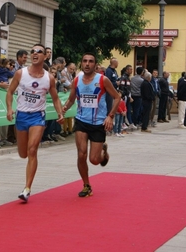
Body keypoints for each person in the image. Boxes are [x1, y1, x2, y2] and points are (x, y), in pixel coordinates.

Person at [6, 44, 64, 202]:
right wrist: (10, 108)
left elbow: (55, 97)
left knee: (32, 150)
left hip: (38, 116)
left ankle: (27, 188)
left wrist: (60, 113)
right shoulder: (20, 73)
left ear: (45, 56)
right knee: (23, 153)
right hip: (22, 116)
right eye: (32, 51)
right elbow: (10, 92)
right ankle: (27, 185)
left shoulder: (49, 78)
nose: (34, 54)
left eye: (39, 52)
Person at [62, 52, 120, 198]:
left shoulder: (103, 80)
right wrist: (63, 110)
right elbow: (71, 99)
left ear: (95, 64)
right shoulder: (77, 80)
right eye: (85, 61)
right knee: (81, 154)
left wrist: (110, 116)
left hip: (98, 123)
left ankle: (103, 153)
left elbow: (117, 97)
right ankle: (86, 185)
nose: (87, 64)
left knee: (94, 160)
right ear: (81, 63)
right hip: (81, 121)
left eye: (91, 61)